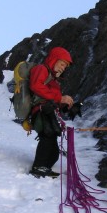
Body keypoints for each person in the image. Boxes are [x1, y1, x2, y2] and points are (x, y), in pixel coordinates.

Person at [29, 47, 74, 178]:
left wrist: (66, 105)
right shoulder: (41, 69)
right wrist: (60, 98)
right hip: (41, 111)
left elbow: (54, 99)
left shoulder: (54, 81)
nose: (63, 68)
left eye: (65, 66)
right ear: (54, 60)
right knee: (48, 136)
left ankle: (45, 167)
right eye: (62, 64)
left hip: (49, 111)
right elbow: (35, 86)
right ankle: (38, 167)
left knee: (52, 142)